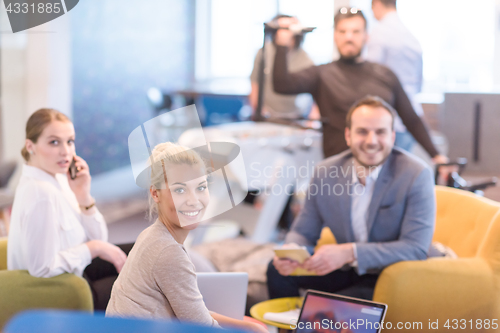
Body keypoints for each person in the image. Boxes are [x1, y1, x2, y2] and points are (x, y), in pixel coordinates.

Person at [266, 95, 436, 300]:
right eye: (362, 132)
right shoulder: (325, 172)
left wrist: (349, 252)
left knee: (339, 306)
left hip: (391, 274)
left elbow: (415, 249)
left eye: (380, 132)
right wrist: (292, 251)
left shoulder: (416, 174)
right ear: (348, 135)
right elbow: (303, 232)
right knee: (276, 272)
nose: (371, 141)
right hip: (347, 270)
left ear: (392, 137)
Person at [106, 142, 266, 333]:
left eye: (200, 187)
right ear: (155, 193)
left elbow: (195, 315)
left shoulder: (152, 235)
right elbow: (203, 328)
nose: (193, 200)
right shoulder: (168, 252)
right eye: (180, 190)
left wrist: (249, 327)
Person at [272, 8, 448, 166]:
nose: (349, 37)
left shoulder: (385, 75)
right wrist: (282, 45)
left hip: (381, 173)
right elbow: (281, 84)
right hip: (338, 172)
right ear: (335, 35)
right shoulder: (321, 74)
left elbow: (411, 119)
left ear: (366, 36)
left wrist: (437, 156)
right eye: (343, 31)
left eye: (355, 31)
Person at [7, 108, 129, 310]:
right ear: (31, 146)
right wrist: (93, 248)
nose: (66, 151)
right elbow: (42, 268)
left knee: (149, 255)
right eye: (54, 142)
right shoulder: (41, 194)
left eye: (70, 141)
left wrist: (83, 196)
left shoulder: (58, 178)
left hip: (77, 271)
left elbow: (99, 236)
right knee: (146, 286)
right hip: (62, 290)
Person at [365, 0, 424, 152]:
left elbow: (369, 77)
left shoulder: (379, 33)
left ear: (377, 3)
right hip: (411, 118)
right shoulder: (411, 37)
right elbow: (418, 84)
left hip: (388, 119)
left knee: (383, 173)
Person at [249, 14, 315, 119]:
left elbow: (315, 90)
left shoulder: (306, 59)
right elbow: (255, 83)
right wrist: (259, 110)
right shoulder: (263, 53)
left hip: (296, 116)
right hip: (268, 115)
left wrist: (312, 118)